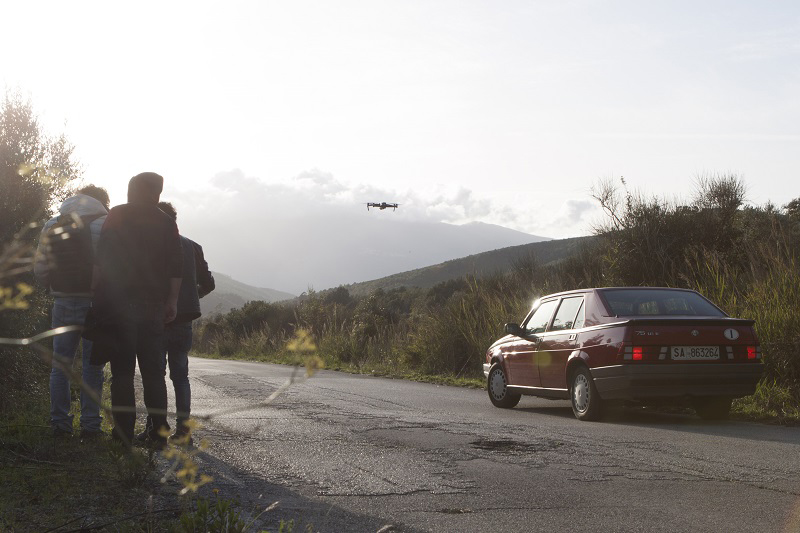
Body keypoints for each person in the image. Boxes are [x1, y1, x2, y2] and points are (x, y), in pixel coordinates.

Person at [93, 172, 183, 447]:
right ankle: (158, 435)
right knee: (153, 373)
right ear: (156, 192)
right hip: (153, 307)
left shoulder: (117, 215)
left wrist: (95, 296)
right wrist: (172, 301)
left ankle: (123, 435)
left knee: (121, 373)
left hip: (118, 305)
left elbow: (101, 260)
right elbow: (175, 266)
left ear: (131, 190)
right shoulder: (167, 222)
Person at [34, 185, 110, 440]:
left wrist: (55, 287)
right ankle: (90, 426)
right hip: (95, 304)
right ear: (102, 201)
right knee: (92, 367)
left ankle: (60, 424)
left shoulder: (52, 224)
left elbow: (40, 269)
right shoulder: (105, 223)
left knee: (60, 365)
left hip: (63, 302)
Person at [138, 201, 214, 445]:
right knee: (180, 376)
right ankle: (184, 431)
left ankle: (156, 429)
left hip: (156, 319)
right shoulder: (193, 246)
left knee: (155, 376)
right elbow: (209, 283)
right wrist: (193, 295)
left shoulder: (150, 245)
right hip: (184, 319)